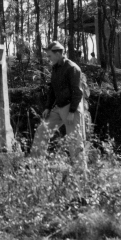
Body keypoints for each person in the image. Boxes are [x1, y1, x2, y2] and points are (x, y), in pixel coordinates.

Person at [31, 41, 87, 171]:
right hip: (58, 107)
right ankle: (37, 165)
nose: (48, 58)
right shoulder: (55, 68)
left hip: (71, 108)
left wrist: (72, 111)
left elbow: (77, 92)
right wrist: (48, 107)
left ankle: (80, 171)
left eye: (49, 56)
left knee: (74, 139)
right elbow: (52, 90)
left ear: (58, 53)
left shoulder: (72, 68)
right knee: (42, 130)